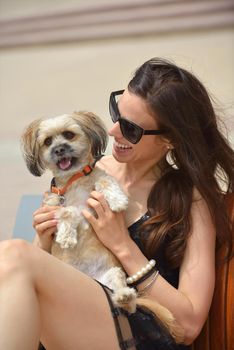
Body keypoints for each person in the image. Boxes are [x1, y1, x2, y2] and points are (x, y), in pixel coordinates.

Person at [0, 58, 233, 350]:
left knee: (13, 254)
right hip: (74, 318)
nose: (113, 132)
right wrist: (44, 240)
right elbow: (41, 270)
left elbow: (188, 325)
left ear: (170, 139)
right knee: (13, 256)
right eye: (116, 112)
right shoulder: (80, 171)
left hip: (139, 331)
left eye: (131, 129)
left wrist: (123, 245)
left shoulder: (191, 199)